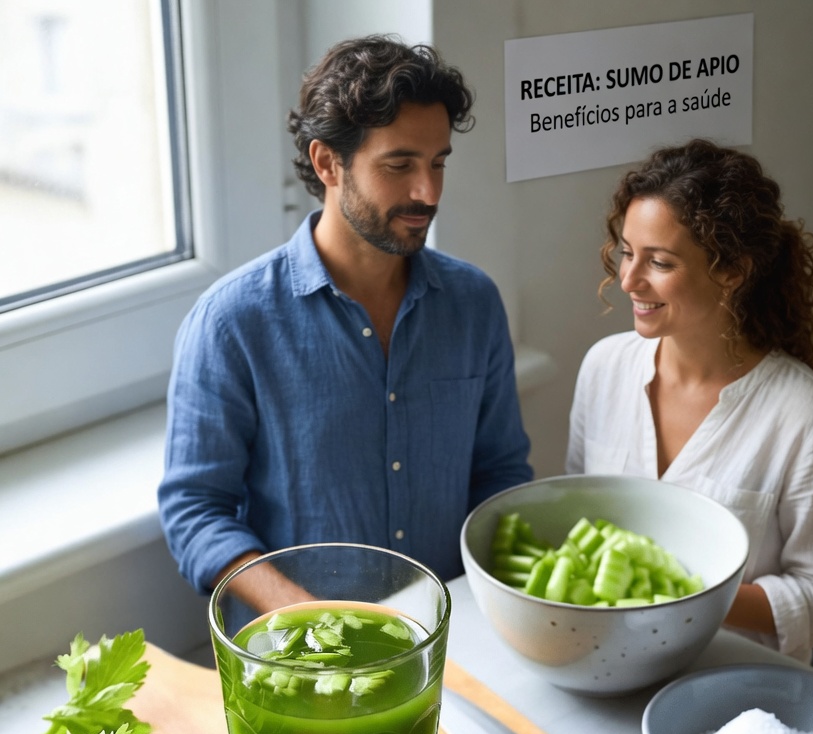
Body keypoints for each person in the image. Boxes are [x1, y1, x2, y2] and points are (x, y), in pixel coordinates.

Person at [158, 36, 532, 617]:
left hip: (454, 643)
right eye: (399, 164)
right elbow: (195, 511)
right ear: (327, 162)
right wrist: (309, 615)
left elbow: (499, 474)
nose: (427, 192)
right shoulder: (232, 322)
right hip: (302, 661)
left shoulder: (473, 303)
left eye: (437, 163)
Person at [566, 138, 813, 662]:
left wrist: (674, 593)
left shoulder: (807, 416)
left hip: (735, 687)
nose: (628, 280)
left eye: (659, 262)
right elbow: (578, 521)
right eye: (626, 252)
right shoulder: (603, 367)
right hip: (602, 664)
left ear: (732, 270)